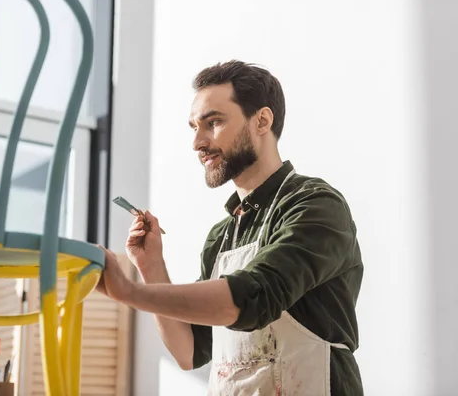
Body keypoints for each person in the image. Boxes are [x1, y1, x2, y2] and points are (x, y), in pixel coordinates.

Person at [97, 60, 364, 395]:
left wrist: (130, 293)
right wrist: (151, 266)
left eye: (213, 122)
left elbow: (255, 297)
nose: (197, 143)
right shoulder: (222, 236)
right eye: (194, 127)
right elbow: (189, 351)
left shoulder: (316, 205)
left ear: (262, 120)